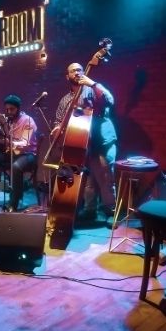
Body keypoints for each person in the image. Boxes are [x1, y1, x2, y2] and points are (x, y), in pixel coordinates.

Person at [50, 62, 117, 220]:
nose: (77, 73)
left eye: (79, 70)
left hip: (102, 140)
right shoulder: (65, 100)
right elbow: (59, 120)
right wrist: (57, 128)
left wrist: (93, 84)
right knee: (88, 180)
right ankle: (90, 209)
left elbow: (109, 100)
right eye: (73, 71)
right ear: (67, 76)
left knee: (105, 177)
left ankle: (110, 210)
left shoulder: (92, 89)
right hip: (81, 144)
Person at [0, 95, 38, 213]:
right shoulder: (6, 120)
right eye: (7, 109)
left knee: (16, 167)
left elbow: (25, 143)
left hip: (27, 154)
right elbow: (3, 137)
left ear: (18, 108)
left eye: (12, 109)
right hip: (9, 153)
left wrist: (9, 142)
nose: (9, 112)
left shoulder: (28, 120)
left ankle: (13, 202)